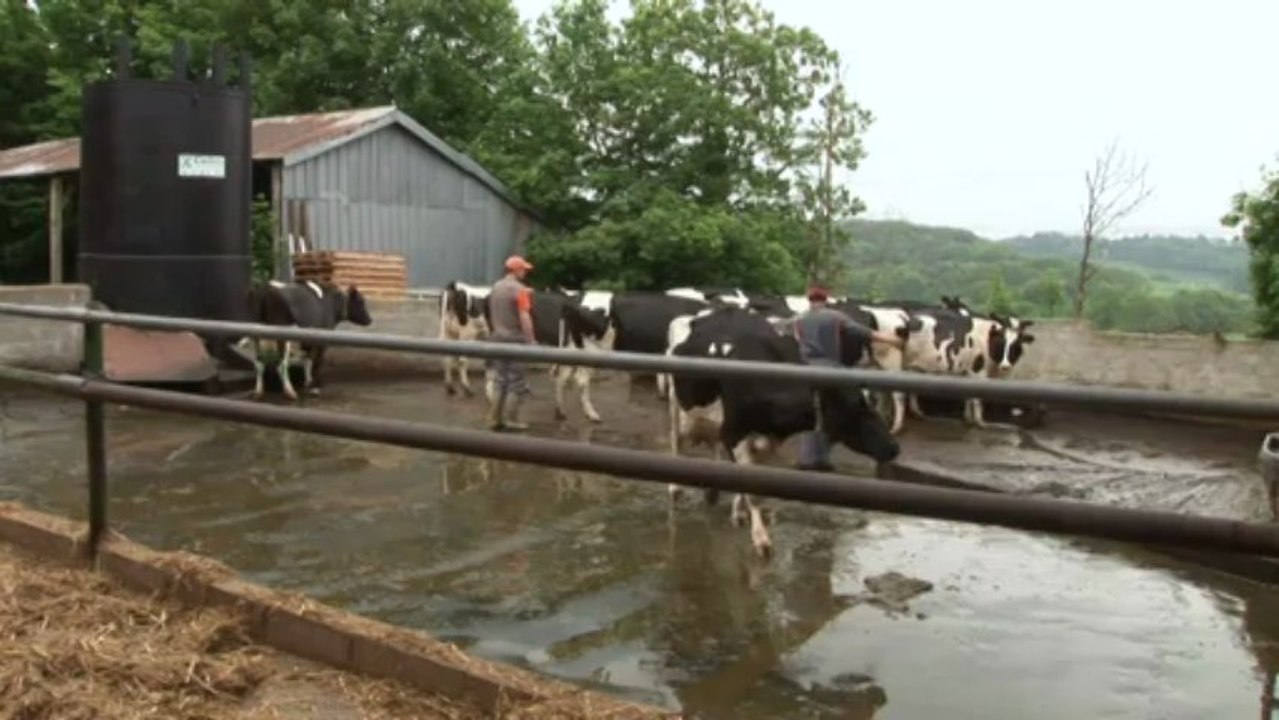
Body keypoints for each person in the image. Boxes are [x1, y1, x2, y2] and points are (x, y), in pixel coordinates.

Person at [791, 285, 903, 471]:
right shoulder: (835, 317)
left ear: (809, 300)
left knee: (816, 417)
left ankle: (812, 458)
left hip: (807, 374)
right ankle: (886, 450)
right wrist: (894, 340)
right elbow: (864, 333)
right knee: (858, 412)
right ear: (826, 300)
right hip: (833, 373)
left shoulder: (799, 321)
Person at [485, 255, 537, 431]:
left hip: (497, 339)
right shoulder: (520, 290)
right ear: (516, 270)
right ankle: (512, 419)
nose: (525, 272)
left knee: (500, 380)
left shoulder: (496, 287)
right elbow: (524, 316)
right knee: (516, 381)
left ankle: (494, 418)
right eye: (523, 269)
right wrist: (531, 340)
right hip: (515, 340)